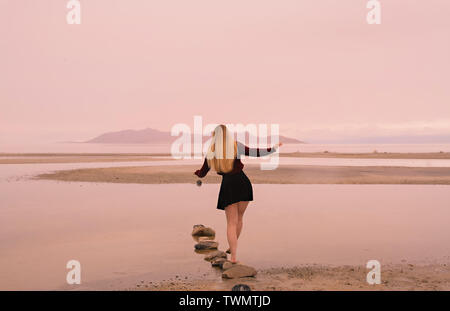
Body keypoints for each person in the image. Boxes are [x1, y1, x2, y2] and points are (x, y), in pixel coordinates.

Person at [194, 124, 282, 263]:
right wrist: (274, 148)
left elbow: (203, 172)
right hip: (243, 182)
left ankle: (233, 256)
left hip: (228, 185)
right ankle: (232, 247)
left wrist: (197, 173)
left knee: (231, 223)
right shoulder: (236, 146)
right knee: (239, 219)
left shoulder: (212, 151)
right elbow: (256, 152)